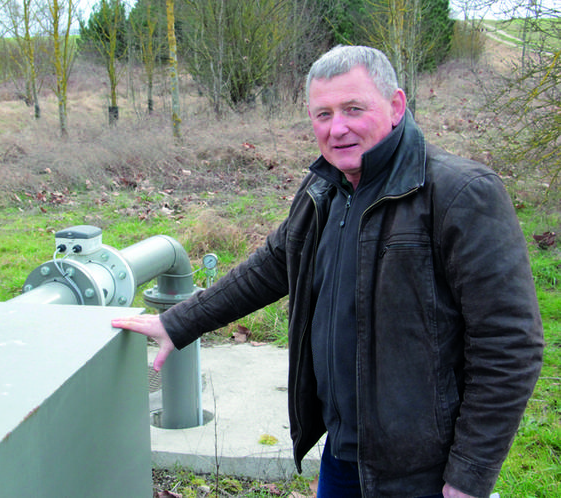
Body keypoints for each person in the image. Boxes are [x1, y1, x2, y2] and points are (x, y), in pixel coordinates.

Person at [112, 45, 544, 498]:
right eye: (323, 114)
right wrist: (177, 322)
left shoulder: (459, 193)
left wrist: (469, 475)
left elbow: (510, 344)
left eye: (353, 109)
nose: (337, 129)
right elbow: (273, 266)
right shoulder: (324, 188)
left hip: (423, 472)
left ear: (396, 106)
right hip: (342, 455)